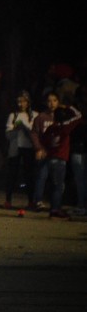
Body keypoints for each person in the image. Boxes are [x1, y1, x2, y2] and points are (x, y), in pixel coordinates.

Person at [38, 105, 82, 220]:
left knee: (55, 185)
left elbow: (43, 140)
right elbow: (79, 116)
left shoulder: (51, 128)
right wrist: (69, 106)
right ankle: (55, 210)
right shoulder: (65, 127)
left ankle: (55, 208)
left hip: (50, 159)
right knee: (58, 186)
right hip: (60, 160)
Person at [3, 90, 38, 209]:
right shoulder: (13, 115)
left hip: (28, 147)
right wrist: (16, 129)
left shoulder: (34, 115)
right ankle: (8, 199)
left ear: (28, 102)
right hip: (15, 147)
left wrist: (24, 126)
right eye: (18, 101)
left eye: (23, 101)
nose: (20, 104)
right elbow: (7, 135)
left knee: (29, 175)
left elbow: (35, 133)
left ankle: (31, 200)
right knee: (12, 174)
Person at [30, 91, 63, 212]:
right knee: (41, 176)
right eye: (49, 101)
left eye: (54, 100)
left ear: (59, 102)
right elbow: (34, 133)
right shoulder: (41, 117)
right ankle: (37, 201)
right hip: (44, 152)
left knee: (57, 180)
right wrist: (38, 148)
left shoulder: (62, 117)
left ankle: (56, 204)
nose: (52, 103)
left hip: (57, 153)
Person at [69, 85, 87, 217]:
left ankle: (82, 205)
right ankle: (81, 205)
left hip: (78, 146)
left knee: (80, 179)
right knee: (80, 179)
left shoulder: (74, 111)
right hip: (77, 146)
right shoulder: (73, 110)